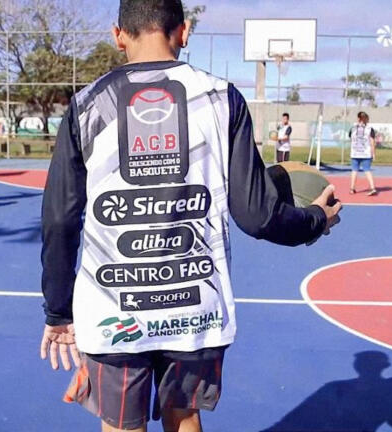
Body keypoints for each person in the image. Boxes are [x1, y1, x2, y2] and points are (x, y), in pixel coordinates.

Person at [38, 2, 342, 432]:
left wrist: (58, 309)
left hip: (113, 307)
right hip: (195, 306)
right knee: (185, 416)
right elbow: (258, 215)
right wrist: (315, 219)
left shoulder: (87, 104)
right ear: (184, 31)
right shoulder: (221, 98)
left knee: (121, 424)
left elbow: (59, 220)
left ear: (118, 35)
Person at [348, 111, 377, 196]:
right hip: (366, 153)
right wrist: (373, 153)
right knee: (367, 170)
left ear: (358, 118)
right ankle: (372, 188)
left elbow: (351, 138)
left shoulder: (353, 128)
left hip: (355, 153)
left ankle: (352, 189)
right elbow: (372, 142)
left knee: (354, 170)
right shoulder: (369, 129)